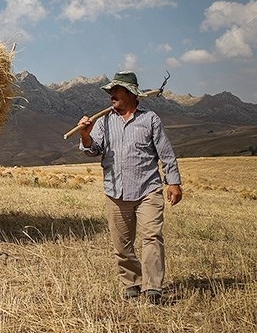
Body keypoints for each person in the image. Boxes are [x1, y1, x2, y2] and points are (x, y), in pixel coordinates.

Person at [76, 71, 182, 304]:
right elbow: (94, 150)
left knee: (152, 236)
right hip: (116, 191)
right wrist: (85, 136)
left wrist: (173, 181)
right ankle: (132, 282)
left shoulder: (150, 119)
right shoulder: (104, 121)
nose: (111, 95)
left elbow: (165, 153)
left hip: (148, 189)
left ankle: (153, 287)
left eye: (116, 90)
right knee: (122, 244)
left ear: (131, 94)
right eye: (110, 91)